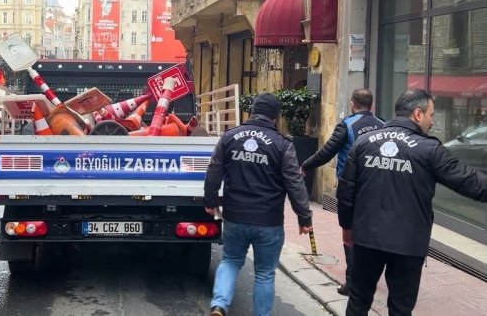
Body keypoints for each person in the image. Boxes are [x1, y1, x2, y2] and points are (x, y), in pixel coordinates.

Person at [338, 89, 487, 316]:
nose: (432, 121)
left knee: (358, 302)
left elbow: (346, 190)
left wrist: (347, 228)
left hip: (367, 238)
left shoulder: (364, 143)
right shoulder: (430, 149)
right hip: (407, 245)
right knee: (400, 309)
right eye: (430, 114)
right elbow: (470, 182)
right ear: (418, 114)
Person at [204, 93, 313, 316]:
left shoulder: (230, 137)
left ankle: (219, 305)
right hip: (268, 220)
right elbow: (295, 183)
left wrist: (211, 201)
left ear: (252, 111)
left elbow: (214, 171)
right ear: (275, 116)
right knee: (264, 273)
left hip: (235, 215)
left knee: (231, 261)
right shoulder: (282, 144)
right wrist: (304, 218)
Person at [301, 88, 384, 295]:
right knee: (373, 233)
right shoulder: (384, 125)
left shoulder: (347, 125)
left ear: (352, 105)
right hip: (378, 188)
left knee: (350, 234)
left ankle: (352, 282)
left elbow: (327, 153)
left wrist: (305, 165)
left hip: (352, 189)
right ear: (372, 106)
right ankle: (367, 278)